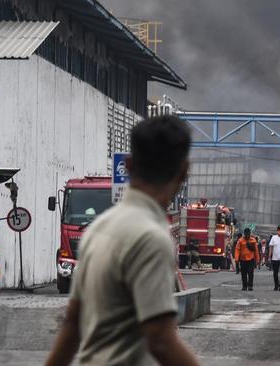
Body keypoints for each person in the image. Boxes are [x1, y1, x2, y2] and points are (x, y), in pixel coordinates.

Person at [45, 116, 199, 366]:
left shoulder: (98, 229)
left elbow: (73, 322)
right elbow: (160, 339)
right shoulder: (151, 237)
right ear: (184, 172)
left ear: (127, 166)